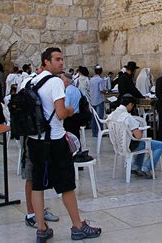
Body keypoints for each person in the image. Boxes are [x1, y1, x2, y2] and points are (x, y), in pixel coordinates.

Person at [27, 47, 101, 241]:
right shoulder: (55, 83)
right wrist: (69, 110)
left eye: (62, 59)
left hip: (35, 141)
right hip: (55, 141)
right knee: (66, 184)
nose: (61, 63)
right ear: (46, 62)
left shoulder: (30, 81)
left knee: (37, 185)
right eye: (57, 59)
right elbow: (60, 113)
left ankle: (41, 229)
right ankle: (78, 226)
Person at [18, 66, 59, 231]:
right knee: (31, 176)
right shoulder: (30, 83)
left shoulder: (34, 83)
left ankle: (37, 211)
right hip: (32, 136)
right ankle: (31, 214)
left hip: (37, 135)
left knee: (36, 175)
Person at [107, 94, 162, 178]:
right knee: (160, 145)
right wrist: (140, 130)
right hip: (129, 146)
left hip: (118, 145)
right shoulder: (127, 117)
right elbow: (138, 136)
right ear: (130, 104)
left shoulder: (112, 115)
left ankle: (136, 166)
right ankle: (146, 168)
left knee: (142, 143)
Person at [60, 72, 83, 151]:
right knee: (76, 136)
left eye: (62, 79)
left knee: (70, 138)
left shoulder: (68, 91)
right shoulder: (76, 89)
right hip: (77, 116)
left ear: (66, 81)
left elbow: (66, 106)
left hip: (70, 117)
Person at [89, 65, 106, 137]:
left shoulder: (91, 79)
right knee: (99, 117)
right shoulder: (100, 80)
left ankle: (94, 132)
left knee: (94, 117)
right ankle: (99, 132)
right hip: (99, 100)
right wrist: (105, 91)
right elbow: (101, 90)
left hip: (93, 100)